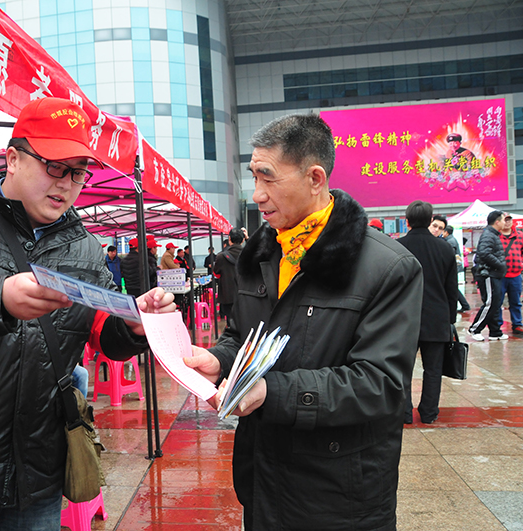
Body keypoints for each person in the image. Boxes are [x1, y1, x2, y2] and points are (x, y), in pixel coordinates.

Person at [0, 97, 175, 530]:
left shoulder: (85, 248)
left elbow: (100, 333)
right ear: (13, 159)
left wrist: (132, 326)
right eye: (55, 167)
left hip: (37, 471)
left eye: (78, 172)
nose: (67, 184)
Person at [184, 113, 423, 530]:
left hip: (339, 496)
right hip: (262, 478)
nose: (257, 195)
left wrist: (271, 392)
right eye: (253, 177)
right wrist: (219, 359)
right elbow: (243, 335)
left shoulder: (387, 267)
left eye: (268, 178)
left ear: (315, 178)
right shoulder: (260, 255)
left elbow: (380, 384)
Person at [397, 201, 457, 424]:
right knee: (433, 369)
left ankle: (404, 413)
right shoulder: (445, 248)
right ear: (431, 220)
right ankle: (429, 412)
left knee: (402, 368)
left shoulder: (398, 247)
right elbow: (452, 289)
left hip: (404, 318)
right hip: (437, 317)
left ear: (407, 222)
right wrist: (451, 319)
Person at [469, 210, 508, 341]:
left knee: (495, 303)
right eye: (503, 220)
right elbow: (484, 253)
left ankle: (495, 331)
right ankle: (475, 329)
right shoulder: (488, 235)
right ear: (497, 222)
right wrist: (500, 265)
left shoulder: (493, 235)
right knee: (491, 303)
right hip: (488, 274)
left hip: (493, 274)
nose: (504, 223)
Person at [497, 213, 523, 335]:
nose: (507, 222)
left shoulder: (520, 235)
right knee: (498, 302)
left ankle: (517, 324)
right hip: (500, 276)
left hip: (516, 275)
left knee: (516, 302)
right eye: (505, 220)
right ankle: (497, 325)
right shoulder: (496, 236)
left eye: (509, 220)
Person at [213, 228, 244, 322]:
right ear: (243, 240)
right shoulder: (248, 254)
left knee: (230, 321)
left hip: (227, 295)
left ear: (229, 238)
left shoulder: (221, 256)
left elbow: (216, 274)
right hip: (245, 294)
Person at [443, 225, 471, 312]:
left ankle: (464, 305)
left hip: (454, 267)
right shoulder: (451, 240)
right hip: (455, 266)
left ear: (446, 232)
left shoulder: (450, 241)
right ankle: (464, 305)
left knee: (453, 287)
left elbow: (449, 255)